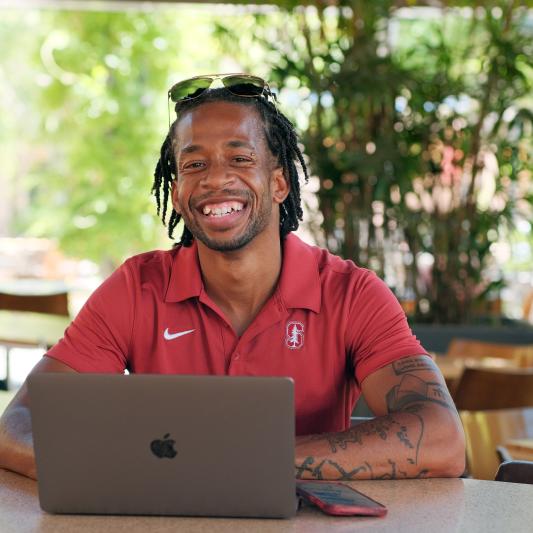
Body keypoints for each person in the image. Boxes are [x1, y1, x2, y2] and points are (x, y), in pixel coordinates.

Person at [0, 74, 465, 481]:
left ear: (279, 182)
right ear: (178, 194)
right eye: (193, 164)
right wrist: (127, 466)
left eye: (240, 159)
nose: (214, 180)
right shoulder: (136, 287)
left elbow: (443, 440)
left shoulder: (351, 292)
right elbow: (16, 427)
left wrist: (239, 460)